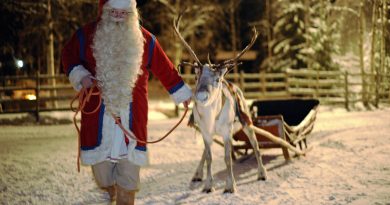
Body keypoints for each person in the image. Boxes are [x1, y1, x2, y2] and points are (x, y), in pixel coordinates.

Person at [61, 0, 192, 204]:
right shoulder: (86, 35)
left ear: (132, 12)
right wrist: (81, 74)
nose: (119, 16)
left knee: (129, 181)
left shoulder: (146, 40)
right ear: (104, 10)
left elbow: (164, 68)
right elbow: (67, 55)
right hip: (97, 119)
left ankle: (123, 195)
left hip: (133, 121)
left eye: (124, 12)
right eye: (114, 11)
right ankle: (110, 189)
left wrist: (181, 93)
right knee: (102, 176)